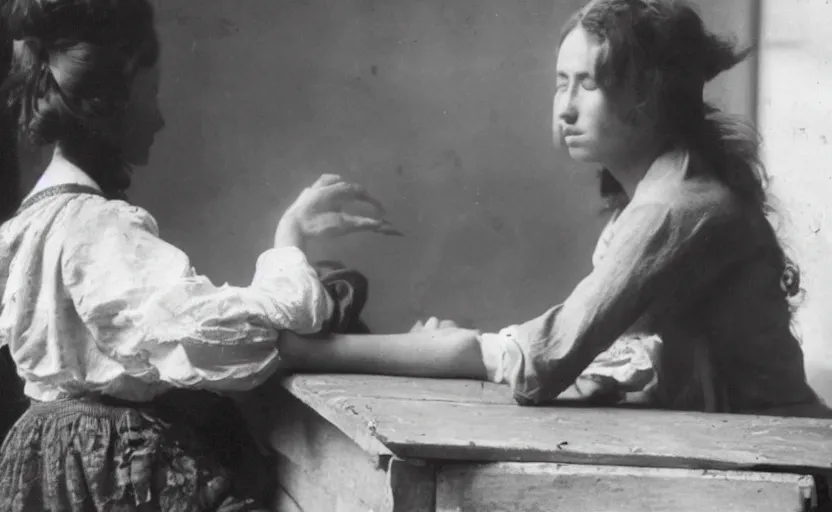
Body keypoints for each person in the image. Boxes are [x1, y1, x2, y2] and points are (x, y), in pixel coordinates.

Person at [0, 0, 487, 510]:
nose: (161, 119)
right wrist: (289, 238)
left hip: (47, 464)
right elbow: (237, 335)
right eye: (151, 93)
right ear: (111, 100)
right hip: (109, 474)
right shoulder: (97, 226)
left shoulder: (35, 221)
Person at [418, 0, 832, 418]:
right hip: (737, 439)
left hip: (786, 451)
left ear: (648, 95)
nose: (566, 108)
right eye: (562, 83)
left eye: (590, 84)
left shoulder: (675, 207)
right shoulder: (655, 194)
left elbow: (541, 361)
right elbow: (631, 351)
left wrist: (360, 349)